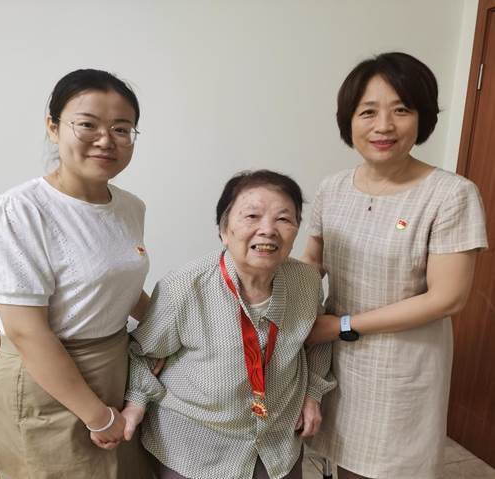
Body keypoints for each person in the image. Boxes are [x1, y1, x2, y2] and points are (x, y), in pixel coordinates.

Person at [303, 52, 488, 479]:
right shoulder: (333, 188)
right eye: (368, 111)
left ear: (423, 117)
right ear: (349, 120)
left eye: (401, 110)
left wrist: (340, 325)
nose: (383, 126)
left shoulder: (451, 194)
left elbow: (447, 298)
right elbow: (313, 260)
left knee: (389, 468)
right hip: (335, 359)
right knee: (339, 460)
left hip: (402, 366)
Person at [116, 170, 336, 479]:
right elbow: (143, 353)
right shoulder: (185, 286)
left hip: (277, 443)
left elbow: (316, 341)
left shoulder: (306, 281)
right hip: (195, 447)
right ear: (223, 230)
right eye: (252, 216)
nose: (268, 230)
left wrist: (313, 394)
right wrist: (136, 404)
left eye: (284, 219)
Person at [0, 69, 152, 478]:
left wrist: (174, 333)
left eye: (122, 128)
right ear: (53, 127)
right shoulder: (21, 210)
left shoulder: (131, 207)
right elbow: (26, 330)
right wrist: (97, 415)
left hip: (115, 367)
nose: (106, 140)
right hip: (48, 379)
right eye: (87, 124)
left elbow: (121, 286)